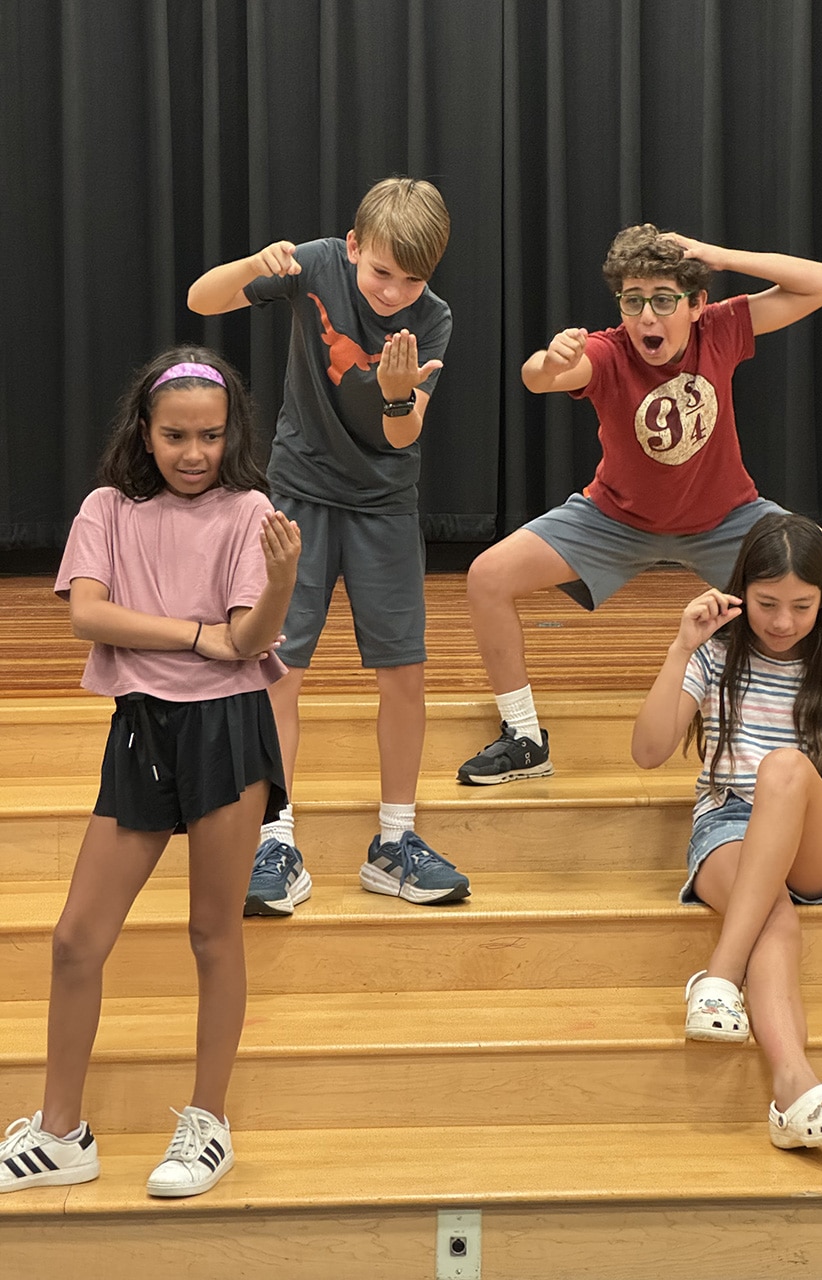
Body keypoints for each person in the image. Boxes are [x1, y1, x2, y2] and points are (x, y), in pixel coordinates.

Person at [0, 347, 301, 1197]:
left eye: (211, 435)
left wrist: (279, 583)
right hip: (141, 730)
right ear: (145, 431)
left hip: (227, 730)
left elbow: (250, 641)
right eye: (176, 436)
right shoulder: (107, 509)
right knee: (76, 939)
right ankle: (61, 1133)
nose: (194, 453)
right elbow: (88, 616)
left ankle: (209, 1125)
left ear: (231, 433)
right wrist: (197, 635)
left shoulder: (250, 511)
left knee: (213, 933)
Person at [457, 223, 822, 785]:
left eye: (663, 299)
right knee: (487, 576)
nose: (646, 316)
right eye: (632, 300)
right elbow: (538, 379)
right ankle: (525, 737)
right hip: (616, 519)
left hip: (727, 518)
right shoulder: (607, 351)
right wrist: (551, 362)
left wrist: (718, 254)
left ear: (696, 304)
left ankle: (816, 715)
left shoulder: (720, 328)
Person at [187, 176, 470, 911]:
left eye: (413, 281)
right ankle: (274, 838)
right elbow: (201, 300)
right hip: (299, 498)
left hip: (384, 507)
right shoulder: (312, 265)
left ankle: (395, 842)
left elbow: (402, 434)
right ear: (351, 247)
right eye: (381, 272)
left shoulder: (433, 320)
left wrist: (399, 394)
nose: (394, 293)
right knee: (279, 669)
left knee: (403, 672)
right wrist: (253, 263)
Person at [631, 512, 822, 1148]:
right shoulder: (714, 655)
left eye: (802, 606)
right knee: (772, 914)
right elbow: (648, 752)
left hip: (814, 834)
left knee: (784, 767)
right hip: (727, 824)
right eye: (767, 603)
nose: (783, 622)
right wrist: (681, 648)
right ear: (740, 593)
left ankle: (717, 978)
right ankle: (796, 1090)